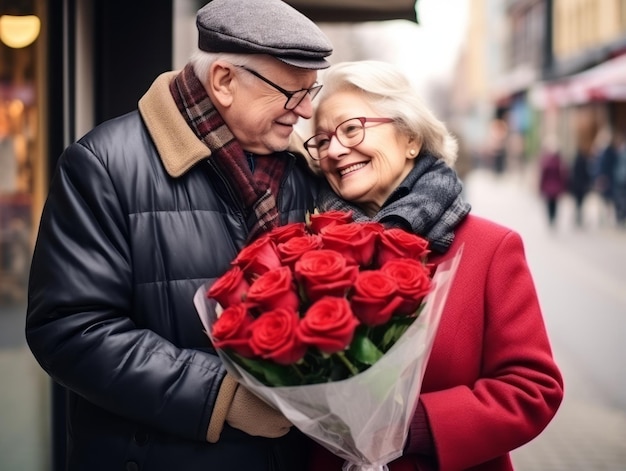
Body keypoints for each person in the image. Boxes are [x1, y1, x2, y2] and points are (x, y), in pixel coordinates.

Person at [25, 1, 332, 470]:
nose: (307, 111)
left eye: (313, 91)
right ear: (224, 81)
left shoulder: (304, 169)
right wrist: (221, 397)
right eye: (292, 93)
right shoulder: (103, 165)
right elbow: (70, 329)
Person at [303, 60, 564, 471]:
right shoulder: (305, 250)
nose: (334, 150)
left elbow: (533, 389)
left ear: (409, 137)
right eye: (321, 141)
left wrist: (416, 426)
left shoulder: (491, 248)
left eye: (351, 128)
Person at [538, 141, 568, 228]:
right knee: (555, 204)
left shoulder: (546, 161)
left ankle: (551, 218)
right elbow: (563, 176)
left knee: (549, 204)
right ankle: (553, 218)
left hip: (548, 187)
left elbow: (543, 176)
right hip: (556, 187)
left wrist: (541, 187)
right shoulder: (559, 162)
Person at [569, 145, 593, 227]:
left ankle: (578, 216)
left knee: (578, 203)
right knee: (580, 203)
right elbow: (587, 174)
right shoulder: (584, 161)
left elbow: (572, 174)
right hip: (581, 186)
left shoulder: (576, 161)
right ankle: (579, 217)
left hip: (577, 185)